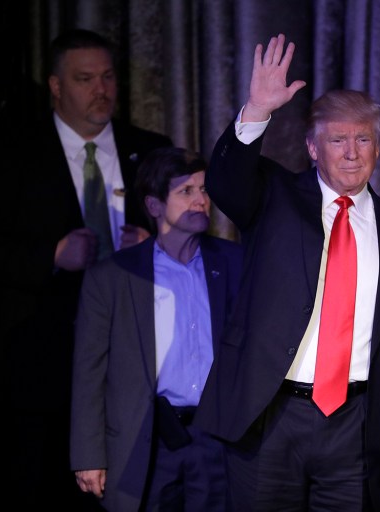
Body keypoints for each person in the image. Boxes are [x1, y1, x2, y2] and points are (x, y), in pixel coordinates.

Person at [193, 34, 380, 511]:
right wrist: (256, 110)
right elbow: (225, 183)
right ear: (312, 147)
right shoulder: (275, 197)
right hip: (270, 416)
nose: (351, 152)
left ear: (378, 147)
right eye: (337, 140)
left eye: (363, 139)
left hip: (358, 426)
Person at [0, 28, 172, 509]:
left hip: (134, 363)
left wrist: (157, 246)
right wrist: (50, 256)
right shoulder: (12, 152)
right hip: (41, 367)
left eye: (108, 77)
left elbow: (192, 237)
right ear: (55, 86)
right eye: (85, 79)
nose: (101, 89)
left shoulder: (151, 150)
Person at [70, 147, 241, 510]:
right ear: (154, 205)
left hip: (217, 441)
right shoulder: (113, 277)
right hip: (148, 441)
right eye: (186, 191)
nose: (201, 201)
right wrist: (88, 454)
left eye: (204, 190)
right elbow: (89, 372)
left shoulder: (234, 262)